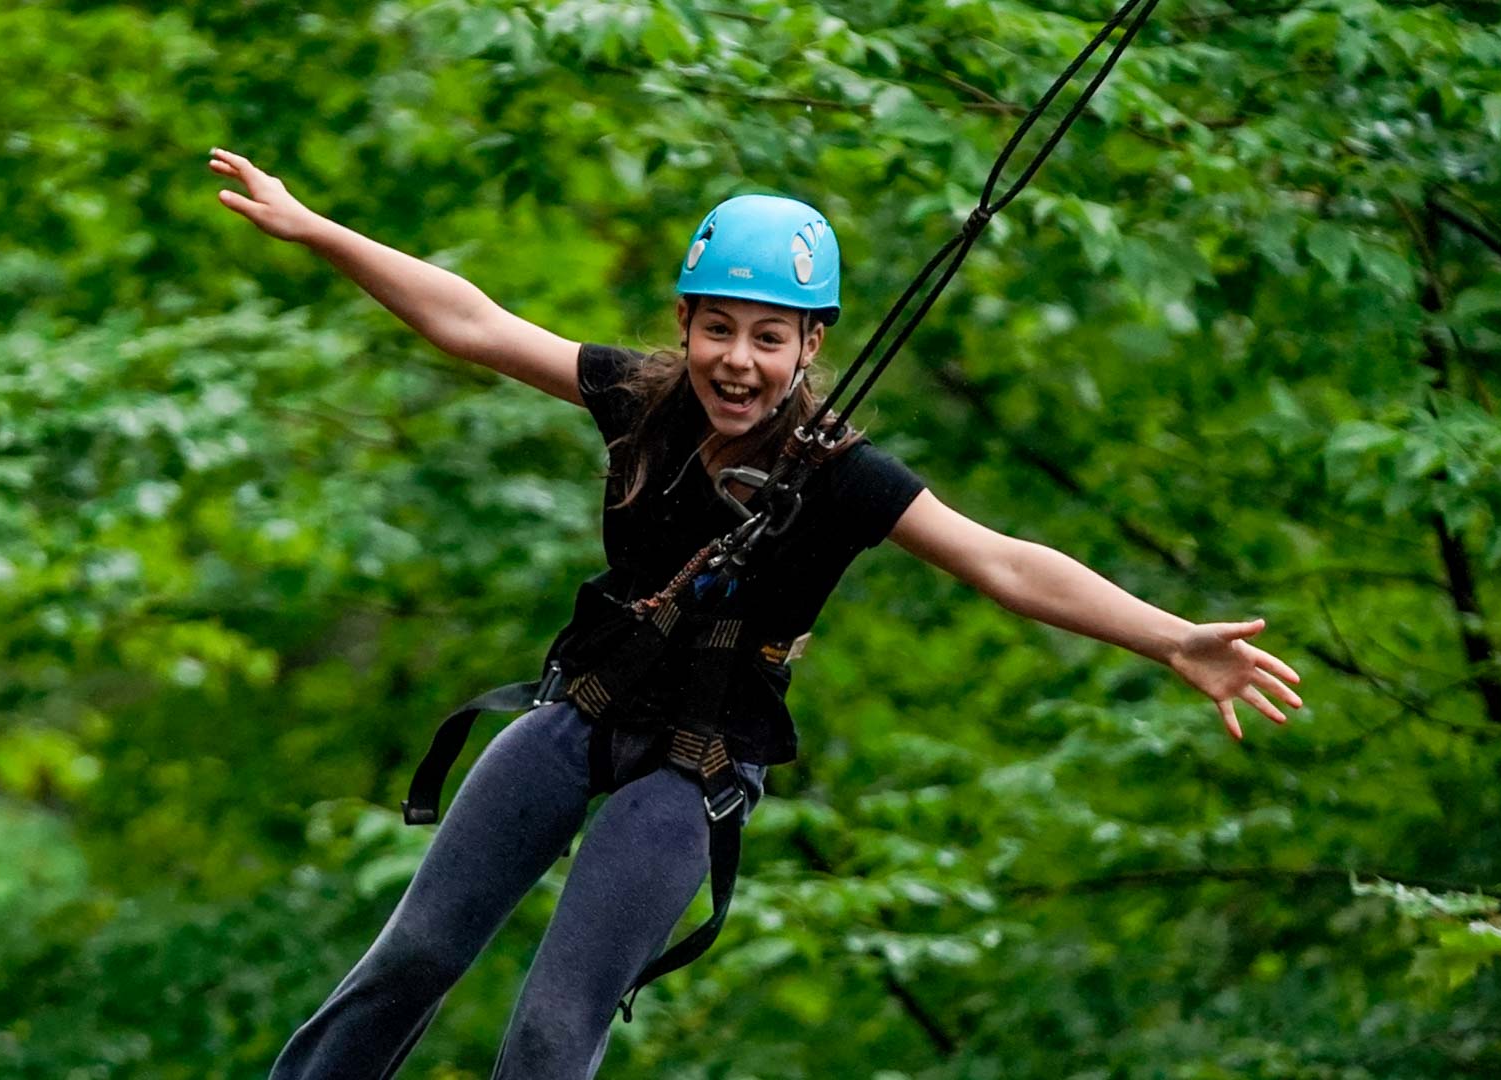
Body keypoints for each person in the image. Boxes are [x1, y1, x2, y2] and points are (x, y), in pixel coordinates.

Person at [208, 146, 1305, 1079]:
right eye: (718, 328)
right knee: (413, 954)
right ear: (683, 323)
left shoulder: (844, 477)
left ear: (810, 346)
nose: (738, 359)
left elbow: (1005, 564)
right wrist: (319, 231)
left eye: (769, 337)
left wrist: (1172, 636)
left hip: (690, 771)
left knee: (550, 1036)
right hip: (576, 715)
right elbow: (474, 324)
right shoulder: (643, 401)